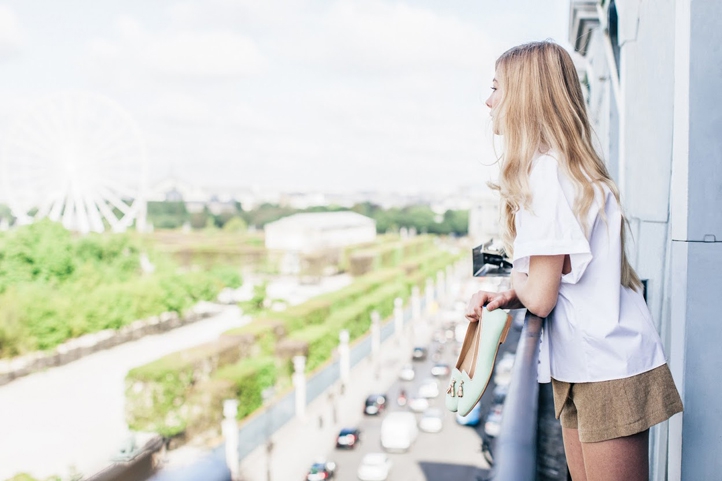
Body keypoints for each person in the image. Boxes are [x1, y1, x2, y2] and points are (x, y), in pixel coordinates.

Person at [465, 41, 682, 481]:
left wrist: (519, 279)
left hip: (603, 367)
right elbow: (555, 282)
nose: (488, 101)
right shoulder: (562, 169)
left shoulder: (545, 176)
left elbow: (541, 297)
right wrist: (510, 293)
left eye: (496, 88)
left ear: (526, 95)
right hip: (593, 361)